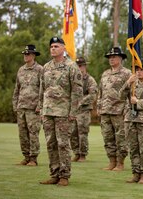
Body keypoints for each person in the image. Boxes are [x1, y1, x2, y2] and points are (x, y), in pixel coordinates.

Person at [39, 37, 83, 186]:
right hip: (48, 111)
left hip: (64, 112)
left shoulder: (71, 66)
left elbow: (77, 91)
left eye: (56, 46)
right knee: (51, 144)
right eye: (51, 46)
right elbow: (42, 89)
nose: (53, 49)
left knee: (63, 144)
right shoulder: (46, 67)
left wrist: (73, 112)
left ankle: (64, 176)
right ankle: (54, 174)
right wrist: (41, 108)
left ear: (64, 49)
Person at [98, 47, 131, 171]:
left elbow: (130, 94)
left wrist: (127, 111)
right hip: (105, 110)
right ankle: (111, 161)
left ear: (121, 58)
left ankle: (120, 163)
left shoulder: (127, 73)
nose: (111, 59)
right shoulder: (105, 73)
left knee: (120, 138)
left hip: (119, 111)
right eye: (110, 57)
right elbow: (100, 92)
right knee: (108, 137)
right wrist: (99, 107)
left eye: (114, 57)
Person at [12, 44, 43, 166]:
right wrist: (15, 105)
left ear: (33, 55)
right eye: (24, 54)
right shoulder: (21, 70)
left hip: (33, 108)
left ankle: (33, 158)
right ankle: (26, 156)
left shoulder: (40, 69)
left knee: (33, 133)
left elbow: (43, 89)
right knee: (22, 133)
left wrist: (40, 105)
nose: (25, 56)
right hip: (21, 107)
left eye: (28, 54)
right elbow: (17, 89)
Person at [70, 56, 98, 162]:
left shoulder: (90, 80)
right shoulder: (72, 79)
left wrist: (80, 101)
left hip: (84, 110)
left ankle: (83, 154)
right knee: (73, 132)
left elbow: (92, 95)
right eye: (77, 66)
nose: (79, 68)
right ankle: (76, 153)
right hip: (73, 110)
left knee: (82, 132)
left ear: (85, 66)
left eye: (80, 66)